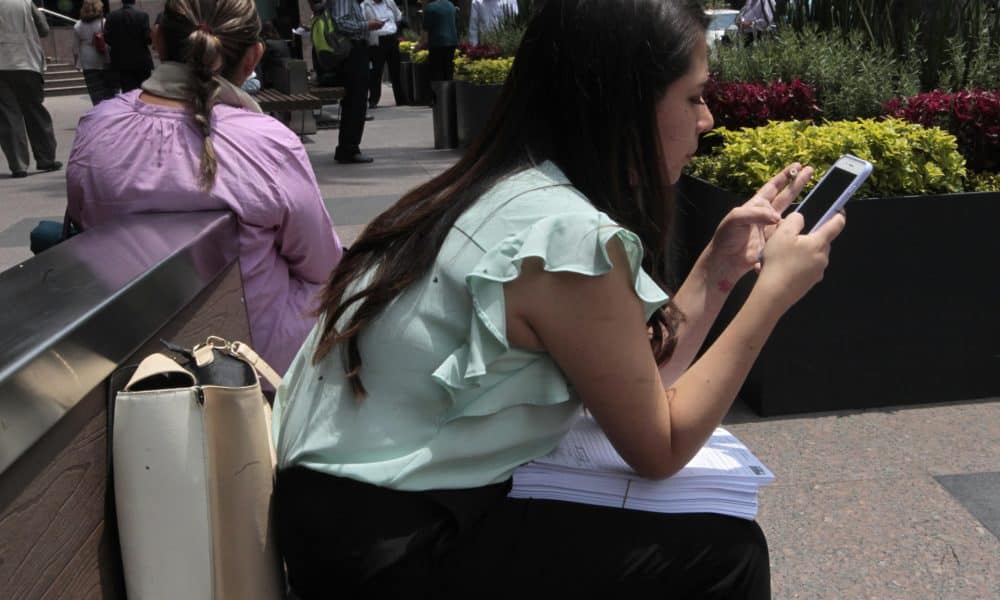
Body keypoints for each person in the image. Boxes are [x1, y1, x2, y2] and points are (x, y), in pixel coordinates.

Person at [272, 0, 844, 596]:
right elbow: (662, 446)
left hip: (339, 520)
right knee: (727, 555)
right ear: (626, 105)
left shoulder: (500, 189)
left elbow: (635, 383)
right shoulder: (567, 234)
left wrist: (719, 269)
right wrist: (771, 296)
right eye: (694, 97)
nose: (707, 119)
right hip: (395, 548)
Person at [66, 0, 343, 376]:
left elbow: (84, 219)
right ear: (253, 57)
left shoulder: (97, 127)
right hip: (254, 365)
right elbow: (322, 265)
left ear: (157, 39)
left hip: (131, 359)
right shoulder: (269, 143)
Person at [0, 0, 61, 178]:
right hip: (27, 61)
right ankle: (46, 158)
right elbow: (44, 29)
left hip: (1, 66)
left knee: (8, 115)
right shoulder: (26, 2)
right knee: (35, 111)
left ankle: (18, 165)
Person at [328, 0, 386, 164]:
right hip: (352, 52)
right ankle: (349, 148)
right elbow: (341, 22)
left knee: (356, 101)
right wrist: (367, 25)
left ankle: (349, 147)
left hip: (356, 50)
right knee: (356, 101)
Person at [73, 0, 119, 105]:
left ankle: (98, 111)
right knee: (110, 92)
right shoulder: (105, 22)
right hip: (105, 58)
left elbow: (75, 47)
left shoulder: (78, 25)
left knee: (95, 93)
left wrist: (76, 63)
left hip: (87, 62)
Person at [104, 0, 155, 92]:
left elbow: (107, 38)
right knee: (144, 92)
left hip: (121, 62)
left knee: (127, 92)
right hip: (141, 62)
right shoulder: (142, 15)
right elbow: (148, 39)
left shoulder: (112, 16)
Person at [362, 0, 403, 108]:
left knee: (396, 70)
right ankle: (373, 100)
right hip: (377, 41)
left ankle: (401, 99)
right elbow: (363, 24)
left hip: (391, 38)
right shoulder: (365, 5)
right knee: (376, 72)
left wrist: (394, 30)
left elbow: (398, 18)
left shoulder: (389, 2)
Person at [420, 0, 458, 83]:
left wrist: (418, 47)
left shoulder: (430, 8)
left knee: (437, 72)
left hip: (437, 43)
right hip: (452, 42)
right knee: (449, 70)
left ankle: (439, 90)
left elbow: (425, 33)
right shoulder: (450, 5)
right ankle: (449, 90)